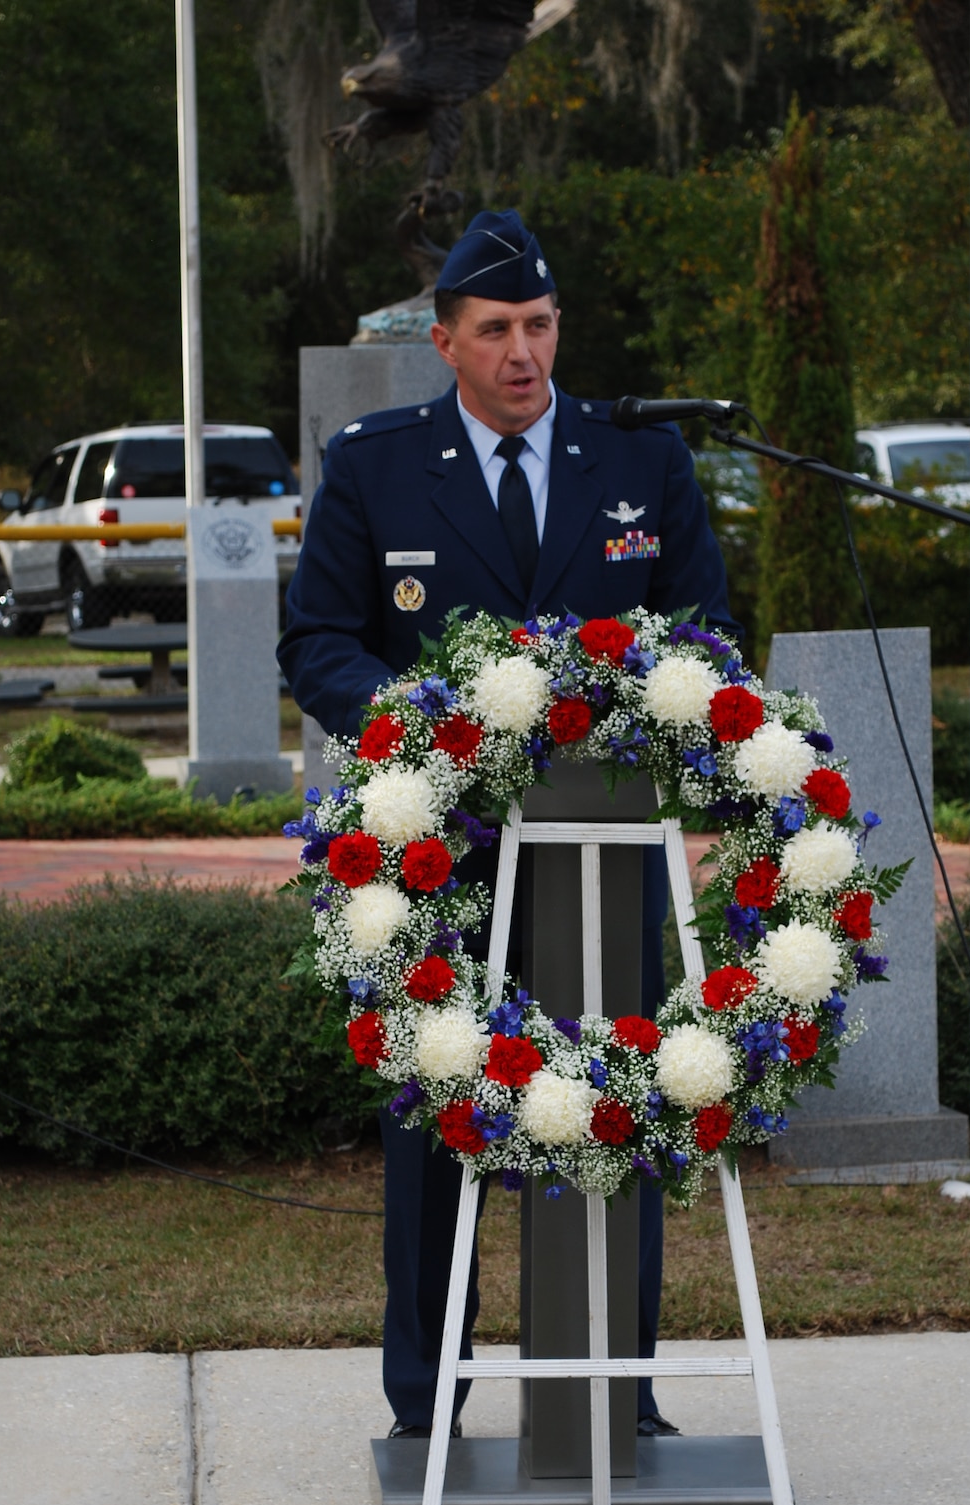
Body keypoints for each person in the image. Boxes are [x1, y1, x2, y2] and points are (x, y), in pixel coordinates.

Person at [279, 209, 739, 1439]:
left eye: (538, 325)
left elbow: (704, 632)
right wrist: (414, 727)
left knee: (611, 1098)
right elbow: (317, 640)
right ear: (445, 341)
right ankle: (427, 1401)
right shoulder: (375, 466)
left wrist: (652, 708)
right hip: (443, 859)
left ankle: (614, 1389)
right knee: (438, 1118)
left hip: (604, 854)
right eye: (496, 331)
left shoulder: (639, 463)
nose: (523, 352)